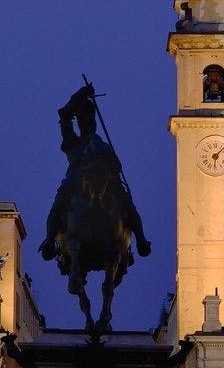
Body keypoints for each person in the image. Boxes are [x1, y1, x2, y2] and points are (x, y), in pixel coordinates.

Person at [39, 83, 151, 261]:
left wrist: (111, 168)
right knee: (58, 206)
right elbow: (63, 114)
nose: (88, 122)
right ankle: (49, 240)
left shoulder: (103, 145)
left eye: (90, 119)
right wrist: (81, 94)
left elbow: (117, 166)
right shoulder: (72, 141)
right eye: (84, 119)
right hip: (75, 181)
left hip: (105, 181)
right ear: (79, 121)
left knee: (127, 204)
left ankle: (141, 239)